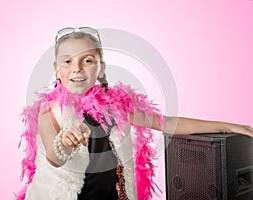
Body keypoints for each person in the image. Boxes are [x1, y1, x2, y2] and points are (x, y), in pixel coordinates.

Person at [15, 27, 253, 200]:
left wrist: (230, 126)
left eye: (87, 60)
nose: (76, 68)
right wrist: (64, 143)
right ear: (57, 71)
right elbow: (55, 160)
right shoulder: (48, 110)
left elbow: (167, 123)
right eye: (67, 61)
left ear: (100, 69)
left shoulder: (117, 106)